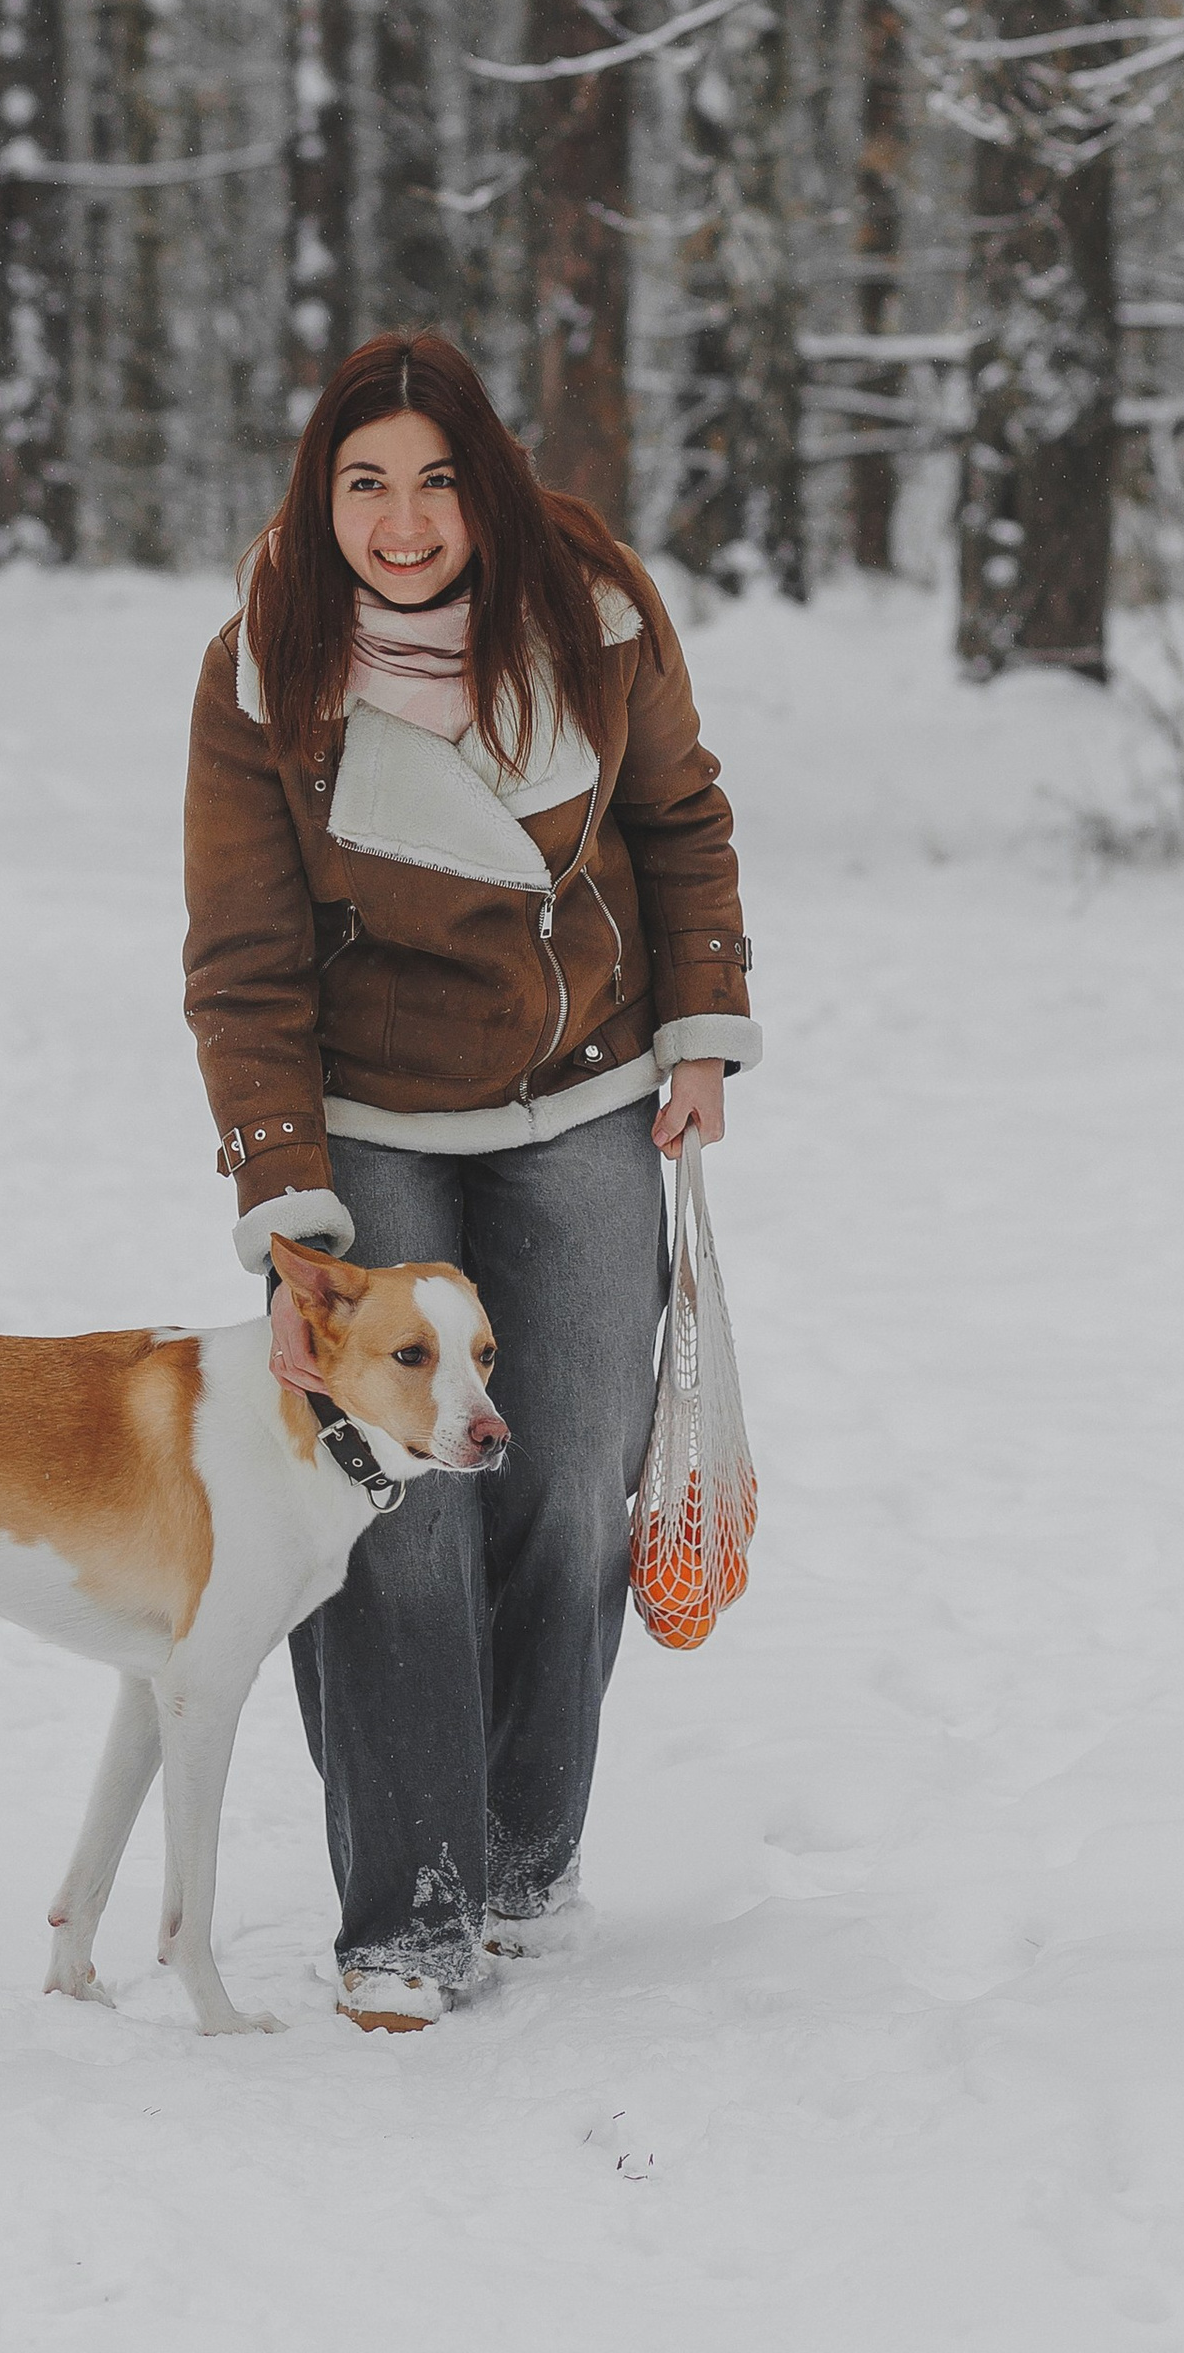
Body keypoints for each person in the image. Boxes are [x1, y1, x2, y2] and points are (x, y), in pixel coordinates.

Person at [181, 329, 759, 2029]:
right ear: (322, 494)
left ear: (485, 481)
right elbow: (242, 963)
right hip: (368, 1119)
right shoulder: (263, 670)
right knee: (387, 1512)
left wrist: (705, 1030)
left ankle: (523, 1848)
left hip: (587, 1091)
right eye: (365, 483)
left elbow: (682, 820)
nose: (404, 521)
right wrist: (290, 1204)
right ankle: (408, 1906)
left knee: (571, 1477)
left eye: (436, 480)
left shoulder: (594, 614)